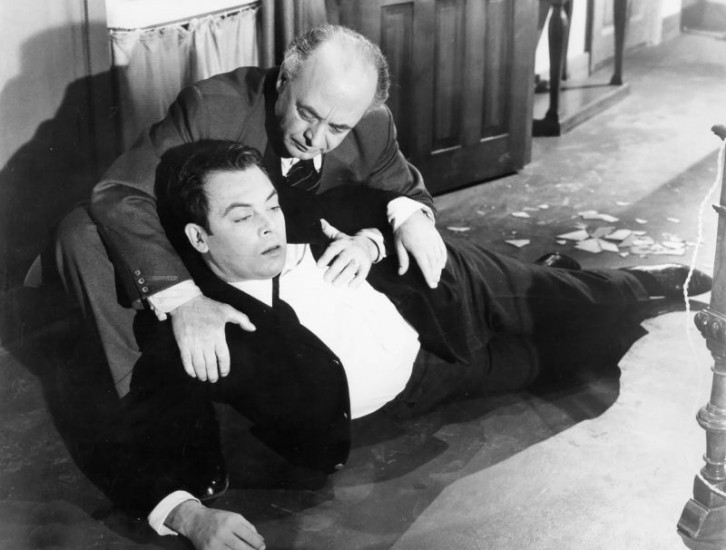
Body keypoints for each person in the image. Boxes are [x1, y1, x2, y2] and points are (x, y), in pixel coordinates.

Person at [85, 141, 711, 550]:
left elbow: (380, 199)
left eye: (270, 205)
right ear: (199, 237)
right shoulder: (206, 326)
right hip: (429, 380)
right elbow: (127, 440)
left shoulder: (301, 219)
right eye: (243, 217)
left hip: (437, 290)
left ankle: (655, 283)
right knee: (580, 352)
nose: (270, 225)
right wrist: (192, 517)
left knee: (574, 299)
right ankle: (589, 293)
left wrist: (371, 240)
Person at [55, 24, 446, 397]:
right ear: (283, 81)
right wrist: (182, 300)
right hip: (200, 246)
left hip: (298, 271)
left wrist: (409, 218)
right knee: (80, 232)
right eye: (307, 114)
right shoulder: (213, 108)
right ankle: (141, 401)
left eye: (337, 129)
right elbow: (121, 191)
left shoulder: (371, 124)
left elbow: (407, 192)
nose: (315, 138)